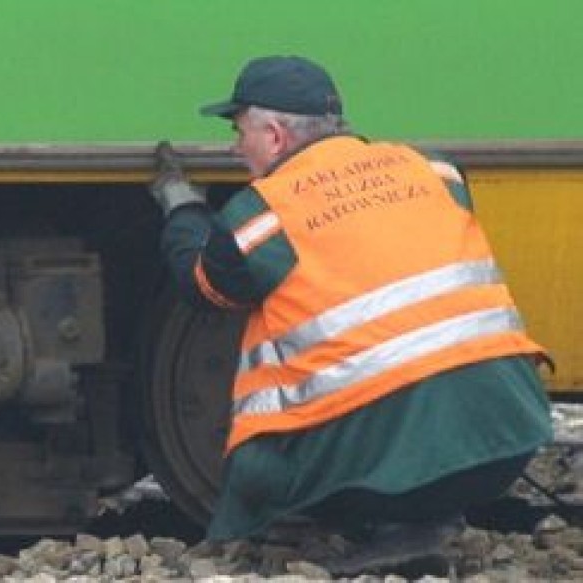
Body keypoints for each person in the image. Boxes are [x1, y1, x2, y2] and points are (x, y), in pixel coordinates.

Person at [149, 55, 553, 570]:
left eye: (239, 129)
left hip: (381, 478)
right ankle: (428, 515)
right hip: (508, 442)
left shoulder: (265, 215)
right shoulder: (435, 170)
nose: (234, 146)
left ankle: (394, 523)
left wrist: (182, 208)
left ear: (274, 136)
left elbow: (206, 289)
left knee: (259, 470)